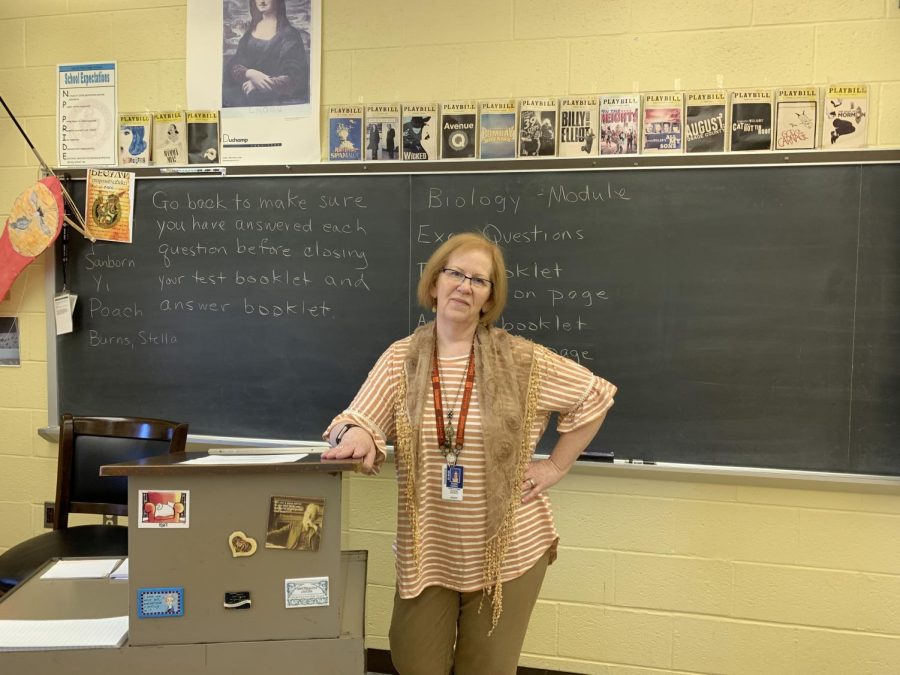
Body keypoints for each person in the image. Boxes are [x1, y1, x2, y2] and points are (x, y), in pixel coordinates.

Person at [322, 233, 616, 674]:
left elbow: (595, 396)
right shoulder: (401, 359)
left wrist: (556, 465)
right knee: (415, 661)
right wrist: (356, 433)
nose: (465, 286)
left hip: (508, 552)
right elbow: (356, 418)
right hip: (429, 550)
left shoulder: (521, 361)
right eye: (455, 273)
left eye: (479, 280)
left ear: (489, 298)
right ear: (435, 282)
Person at [223, 0, 310, 108]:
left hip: (276, 104)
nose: (262, 1)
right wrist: (250, 73)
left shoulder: (290, 35)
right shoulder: (249, 34)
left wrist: (260, 84)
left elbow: (295, 78)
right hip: (245, 103)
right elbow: (234, 65)